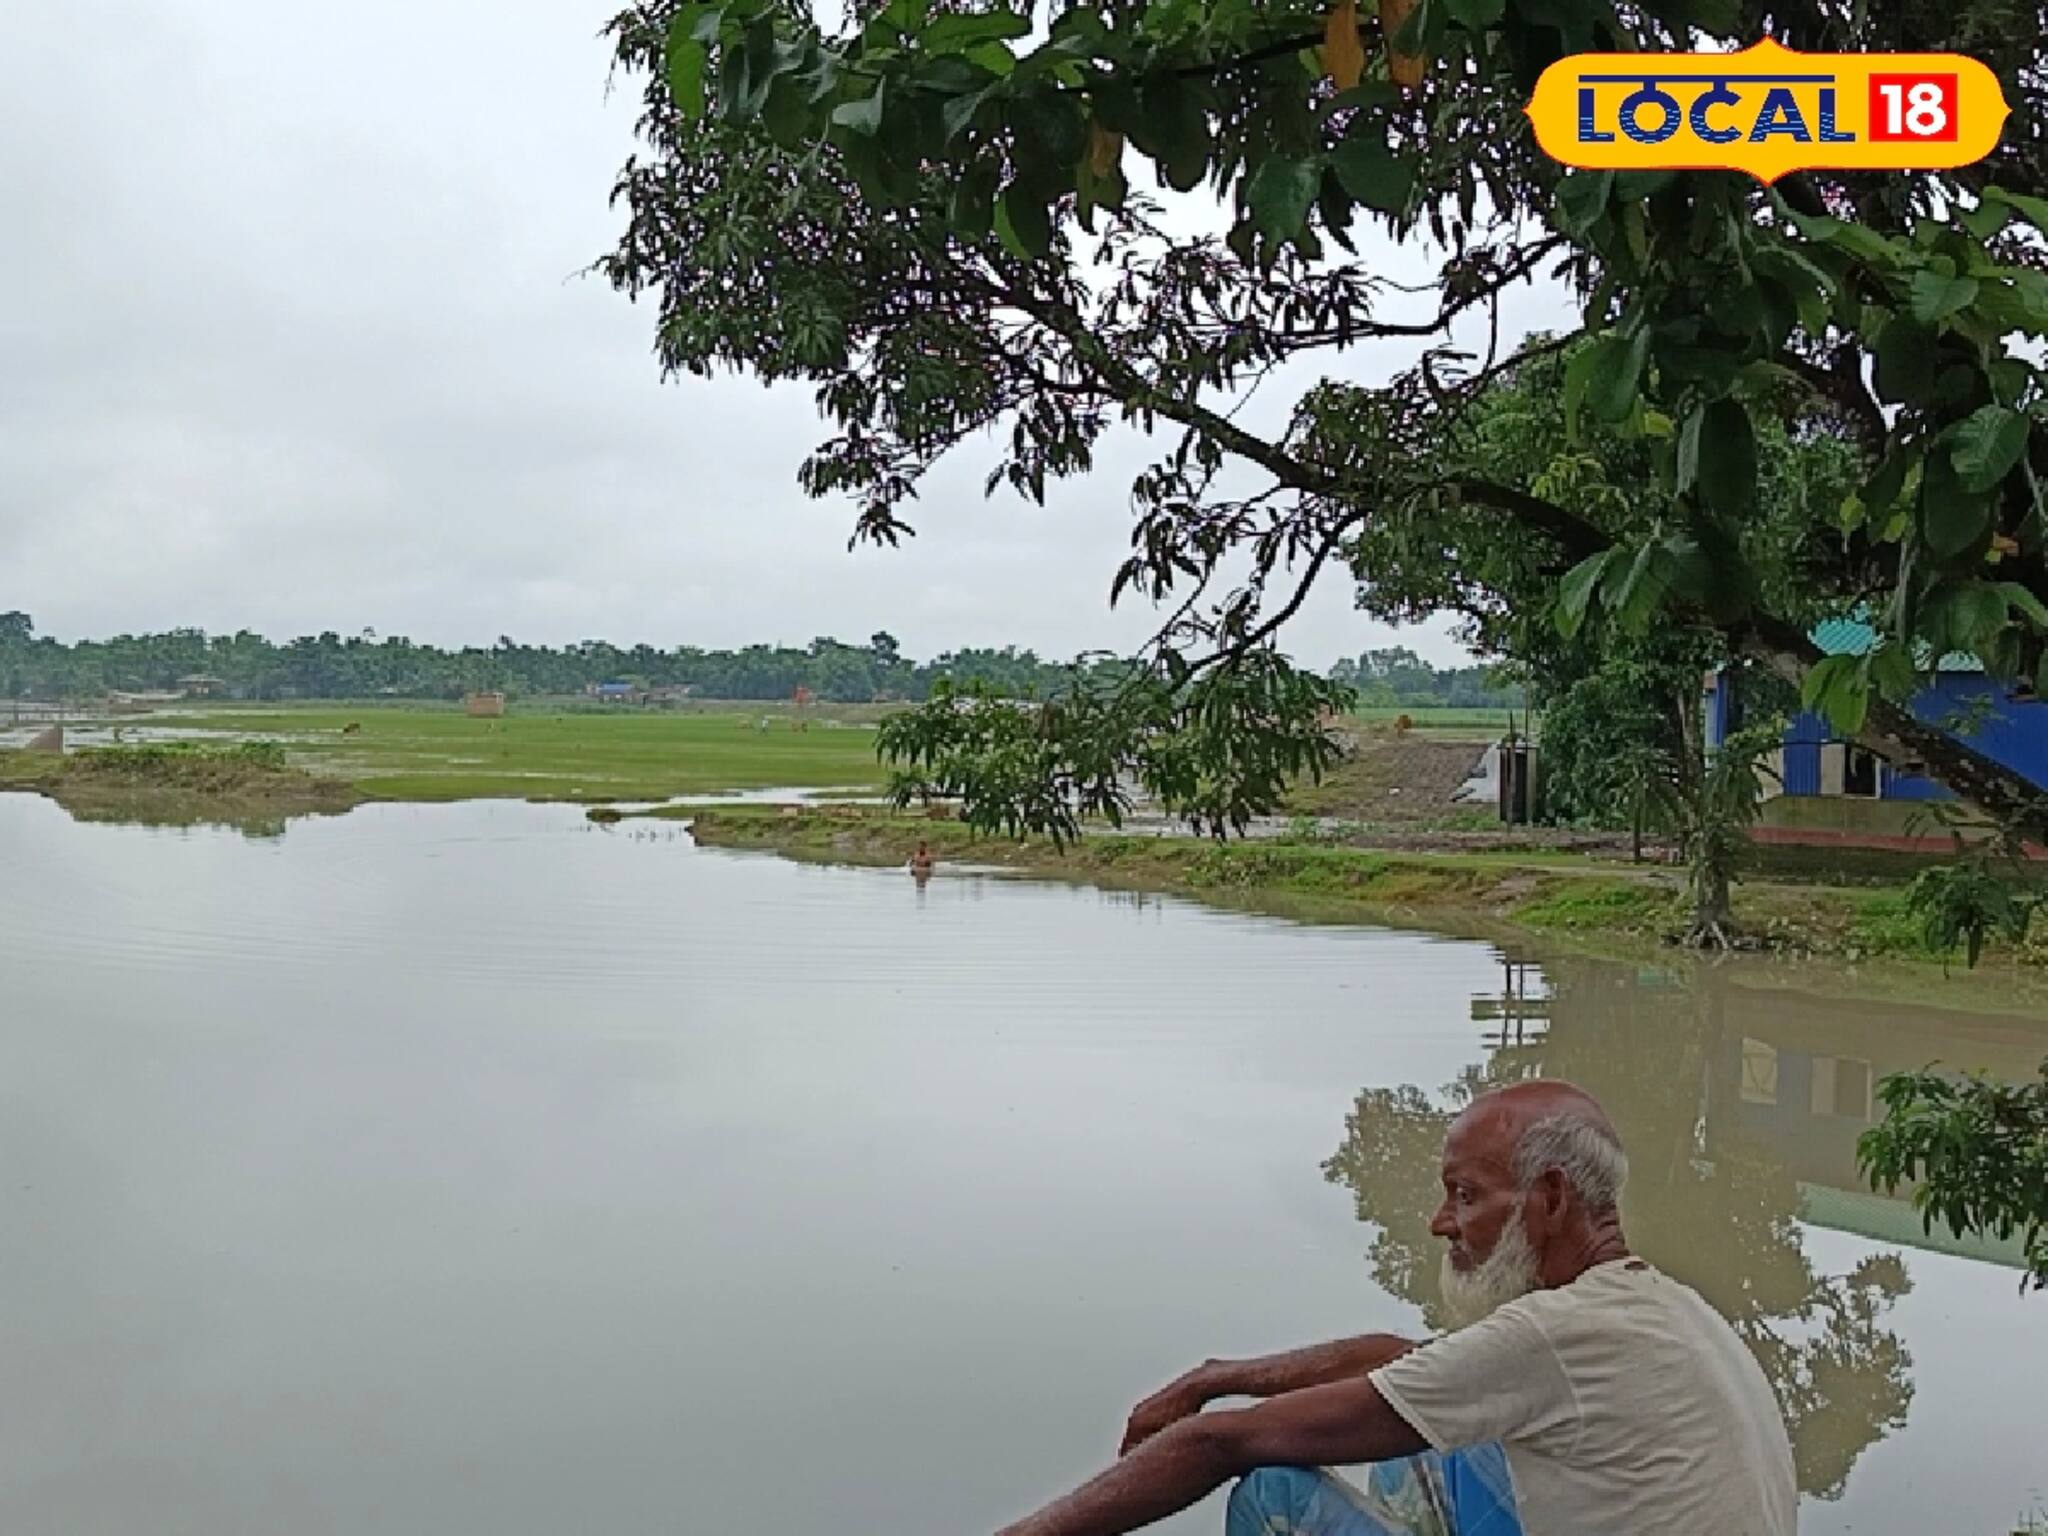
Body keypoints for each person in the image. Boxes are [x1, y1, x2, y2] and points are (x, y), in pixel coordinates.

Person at [994, 1080, 1795, 1536]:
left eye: (1465, 1196)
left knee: (1271, 1492)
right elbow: (1403, 1365)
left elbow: (1219, 1446)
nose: (1441, 1222)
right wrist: (1215, 1375)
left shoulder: (1555, 1335)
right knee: (1423, 1423)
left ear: (1549, 1200)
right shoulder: (1658, 1306)